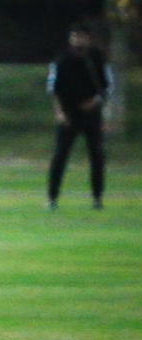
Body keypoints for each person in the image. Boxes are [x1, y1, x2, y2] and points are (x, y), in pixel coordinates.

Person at [46, 24, 113, 210]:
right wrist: (59, 113)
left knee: (97, 156)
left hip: (91, 115)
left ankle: (97, 197)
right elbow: (53, 89)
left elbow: (108, 86)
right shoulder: (61, 60)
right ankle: (52, 197)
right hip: (69, 115)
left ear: (88, 39)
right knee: (60, 156)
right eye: (75, 37)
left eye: (82, 37)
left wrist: (95, 102)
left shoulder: (97, 59)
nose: (78, 40)